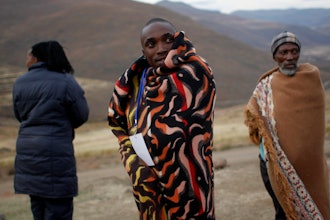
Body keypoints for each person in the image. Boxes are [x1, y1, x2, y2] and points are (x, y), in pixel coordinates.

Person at [107, 18, 216, 219]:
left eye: (167, 40)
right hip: (150, 182)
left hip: (192, 181)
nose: (161, 49)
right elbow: (118, 124)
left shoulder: (196, 72)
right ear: (143, 52)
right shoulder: (133, 85)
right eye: (151, 44)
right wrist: (135, 164)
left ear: (177, 41)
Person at [244, 31, 330, 219]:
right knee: (283, 212)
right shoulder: (265, 86)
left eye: (294, 51)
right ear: (275, 56)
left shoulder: (311, 79)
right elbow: (255, 118)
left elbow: (314, 126)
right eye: (284, 52)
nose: (290, 57)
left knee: (318, 204)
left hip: (310, 165)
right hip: (273, 165)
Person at [12, 41, 89, 220]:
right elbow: (81, 114)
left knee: (38, 210)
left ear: (36, 58)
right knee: (59, 211)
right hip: (56, 157)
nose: (26, 60)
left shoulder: (20, 83)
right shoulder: (65, 81)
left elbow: (19, 115)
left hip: (28, 157)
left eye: (28, 56)